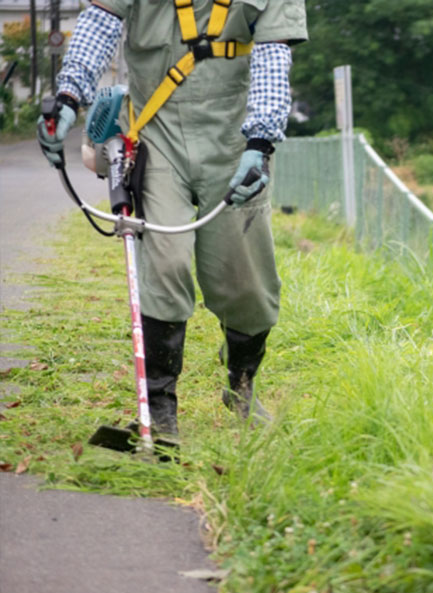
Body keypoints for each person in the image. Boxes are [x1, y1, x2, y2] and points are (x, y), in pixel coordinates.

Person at [36, 0, 308, 438]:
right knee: (165, 262)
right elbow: (99, 25)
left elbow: (274, 58)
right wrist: (67, 98)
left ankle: (241, 385)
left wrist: (261, 142)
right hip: (155, 133)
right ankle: (161, 413)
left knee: (246, 283)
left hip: (236, 142)